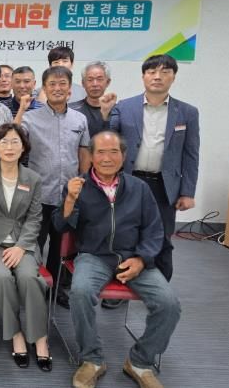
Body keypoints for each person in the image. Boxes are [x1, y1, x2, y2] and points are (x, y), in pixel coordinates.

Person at [52, 131, 181, 388]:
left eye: (114, 152)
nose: (107, 158)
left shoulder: (139, 188)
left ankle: (140, 362)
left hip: (135, 257)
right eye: (100, 152)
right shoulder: (78, 185)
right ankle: (92, 360)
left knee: (169, 304)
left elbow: (154, 230)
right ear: (91, 156)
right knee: (80, 292)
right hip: (94, 255)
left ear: (123, 156)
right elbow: (59, 226)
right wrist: (69, 199)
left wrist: (142, 259)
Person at [0, 124, 51, 372]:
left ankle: (40, 337)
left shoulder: (33, 178)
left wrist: (22, 247)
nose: (9, 147)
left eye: (15, 142)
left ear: (23, 147)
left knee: (29, 278)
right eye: (4, 142)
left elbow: (35, 218)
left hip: (23, 242)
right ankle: (16, 334)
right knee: (2, 278)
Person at [110, 54, 199, 282]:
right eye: (152, 72)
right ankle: (119, 289)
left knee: (162, 238)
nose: (157, 77)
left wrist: (188, 192)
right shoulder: (124, 107)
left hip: (164, 186)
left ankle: (160, 290)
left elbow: (190, 154)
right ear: (143, 77)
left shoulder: (187, 112)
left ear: (173, 77)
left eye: (165, 72)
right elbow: (109, 139)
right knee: (124, 235)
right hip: (129, 181)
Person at [20, 66, 91, 309]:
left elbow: (83, 152)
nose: (57, 88)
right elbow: (12, 139)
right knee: (35, 245)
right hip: (38, 195)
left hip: (68, 196)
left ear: (70, 89)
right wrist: (21, 110)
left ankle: (56, 289)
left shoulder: (80, 120)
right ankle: (33, 286)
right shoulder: (30, 118)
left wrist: (83, 181)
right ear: (44, 88)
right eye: (52, 84)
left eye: (62, 84)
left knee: (60, 247)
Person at [69, 61, 117, 138]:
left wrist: (106, 116)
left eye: (99, 79)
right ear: (83, 83)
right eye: (90, 80)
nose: (95, 84)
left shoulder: (118, 111)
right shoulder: (71, 110)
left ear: (108, 82)